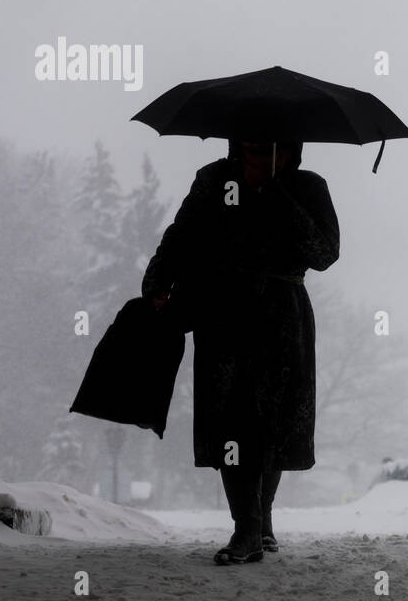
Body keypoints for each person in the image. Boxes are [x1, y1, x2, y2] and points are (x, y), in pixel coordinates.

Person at [142, 139, 339, 564]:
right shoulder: (214, 180)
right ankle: (246, 527)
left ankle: (260, 516)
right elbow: (183, 233)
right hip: (224, 313)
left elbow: (324, 253)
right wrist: (159, 279)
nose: (262, 154)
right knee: (231, 420)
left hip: (284, 317)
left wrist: (275, 192)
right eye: (250, 145)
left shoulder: (306, 187)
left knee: (277, 420)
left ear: (291, 149)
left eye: (274, 146)